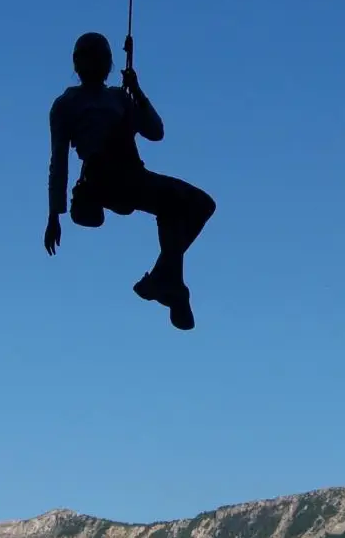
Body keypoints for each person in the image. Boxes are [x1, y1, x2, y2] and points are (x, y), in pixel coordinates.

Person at [43, 32, 216, 331]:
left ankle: (167, 279)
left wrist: (137, 91)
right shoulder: (67, 103)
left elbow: (155, 131)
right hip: (104, 178)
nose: (95, 62)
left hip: (132, 174)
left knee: (197, 205)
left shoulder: (118, 98)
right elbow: (59, 159)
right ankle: (167, 281)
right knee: (185, 205)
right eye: (89, 56)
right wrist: (54, 212)